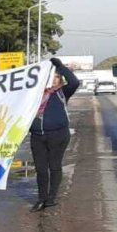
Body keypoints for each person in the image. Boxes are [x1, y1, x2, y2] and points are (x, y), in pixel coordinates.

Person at [29, 57, 80, 212]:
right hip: (37, 136)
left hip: (58, 135)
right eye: (49, 77)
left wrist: (60, 66)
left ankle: (51, 198)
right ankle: (41, 198)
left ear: (59, 79)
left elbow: (74, 82)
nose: (52, 79)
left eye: (56, 76)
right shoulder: (34, 94)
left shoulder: (62, 92)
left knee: (54, 166)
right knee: (41, 169)